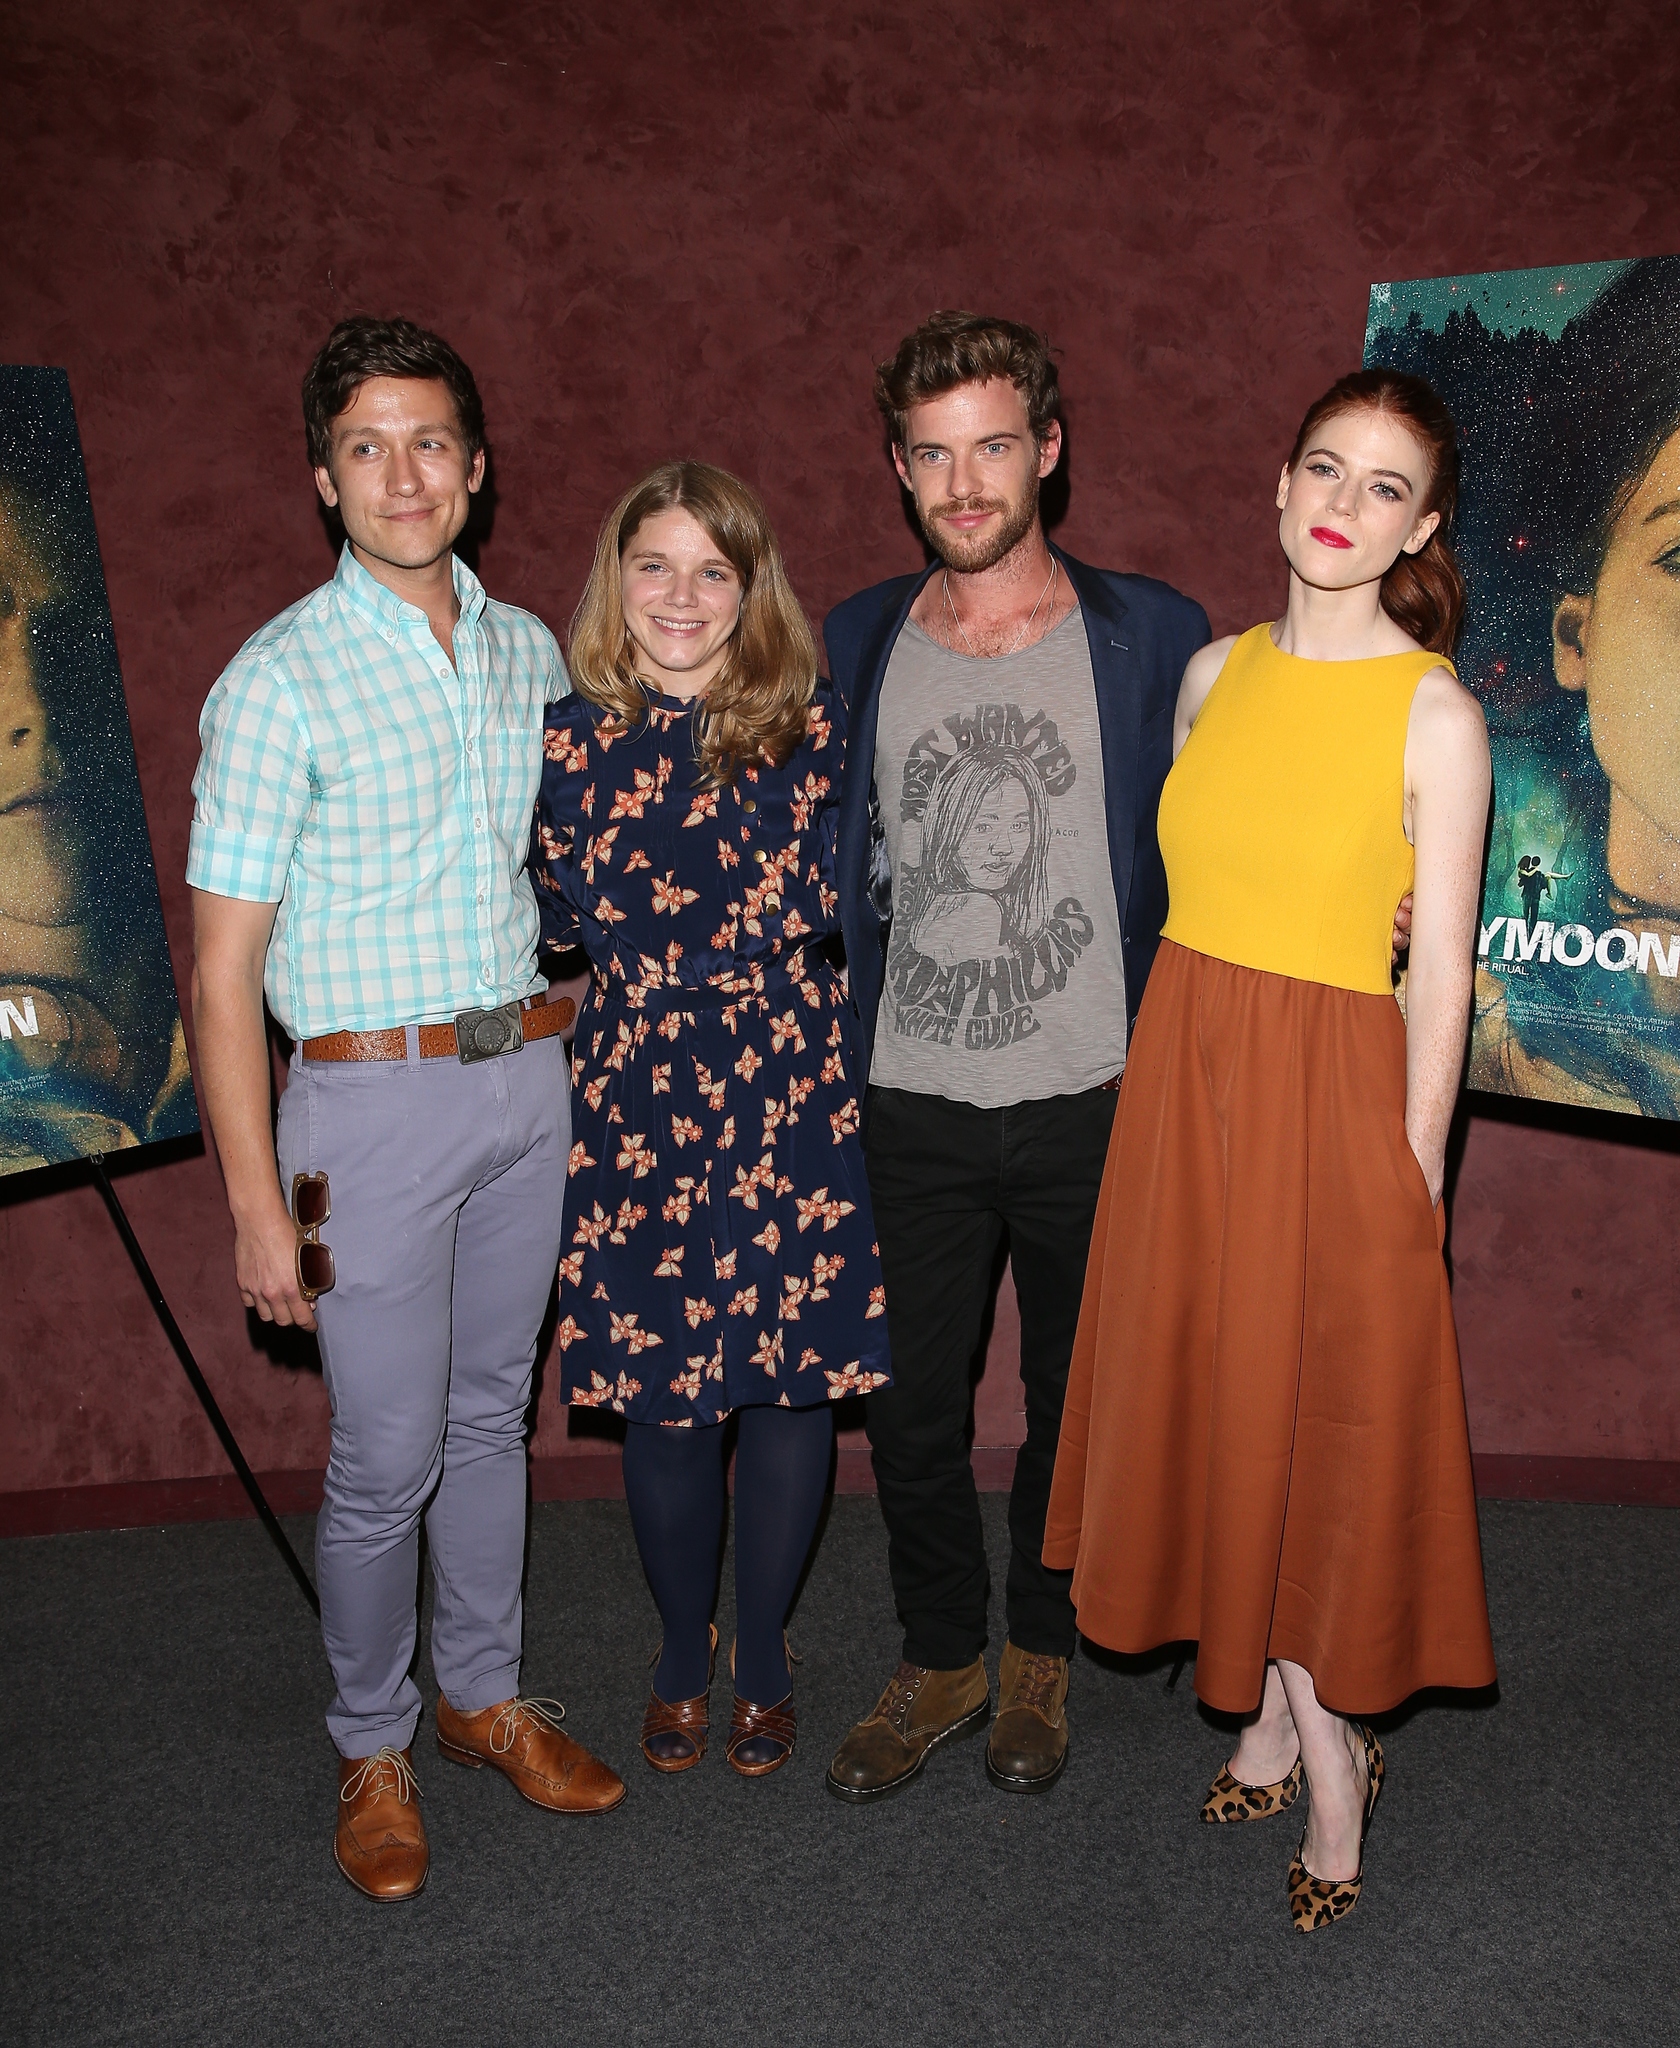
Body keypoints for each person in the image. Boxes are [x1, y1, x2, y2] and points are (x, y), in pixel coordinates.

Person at [1044, 368, 1497, 1931]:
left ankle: (1335, 1770)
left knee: (1304, 1421)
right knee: (1220, 1401)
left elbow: (1436, 968)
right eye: (1325, 465)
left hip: (1330, 1103)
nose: (1344, 503)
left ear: (1423, 527)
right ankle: (1260, 1713)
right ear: (1278, 481)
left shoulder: (1437, 713)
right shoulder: (1212, 674)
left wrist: (1415, 1167)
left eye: (1386, 487)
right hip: (1188, 1090)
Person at [188, 315, 623, 1903]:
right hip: (359, 1118)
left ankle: (482, 1697)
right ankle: (369, 1740)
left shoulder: (526, 655)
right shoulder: (276, 682)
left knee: (488, 1412)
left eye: (430, 439)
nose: (402, 472)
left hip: (525, 1090)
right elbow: (222, 975)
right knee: (380, 1454)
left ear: (478, 465)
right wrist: (256, 1210)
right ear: (324, 477)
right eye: (365, 445)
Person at [823, 312, 1209, 1801]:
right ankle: (943, 1657)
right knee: (909, 1406)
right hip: (907, 1096)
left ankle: (1038, 1652)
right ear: (900, 468)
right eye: (933, 453)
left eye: (994, 445)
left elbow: (1249, 801)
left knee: (1076, 1398)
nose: (964, 481)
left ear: (1049, 448)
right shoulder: (857, 637)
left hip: (1094, 1095)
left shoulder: (1154, 635)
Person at [533, 461, 889, 1780]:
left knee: (792, 1390)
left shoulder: (817, 729)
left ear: (752, 593)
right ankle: (682, 1653)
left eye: (713, 571)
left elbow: (887, 894)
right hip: (636, 1096)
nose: (681, 596)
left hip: (783, 1084)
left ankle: (767, 1658)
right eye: (655, 565)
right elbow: (550, 925)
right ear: (616, 585)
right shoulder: (560, 742)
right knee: (667, 1401)